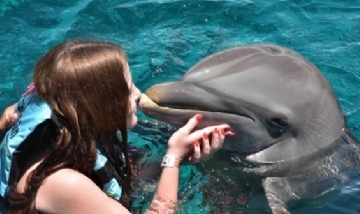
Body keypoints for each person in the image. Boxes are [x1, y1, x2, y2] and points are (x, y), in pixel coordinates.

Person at [0, 41, 233, 214]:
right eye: (128, 90)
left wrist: (180, 159)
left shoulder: (70, 130)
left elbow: (114, 187)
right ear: (100, 106)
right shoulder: (62, 182)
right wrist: (172, 158)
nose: (139, 95)